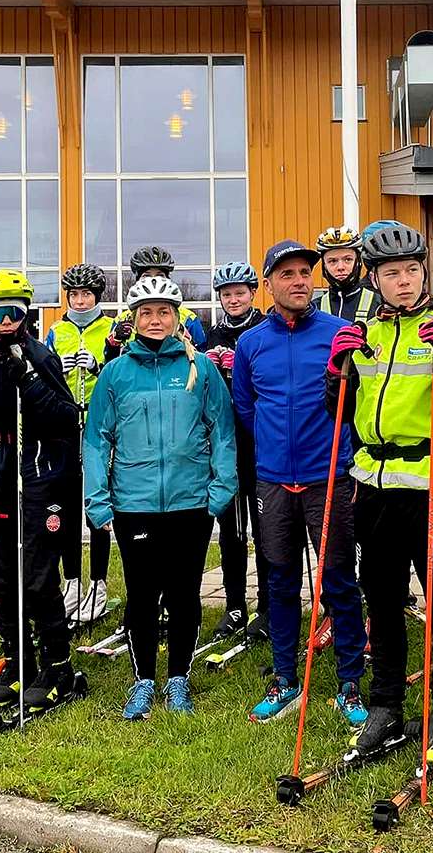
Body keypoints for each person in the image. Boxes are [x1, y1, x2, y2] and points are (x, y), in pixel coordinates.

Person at [325, 223, 433, 763]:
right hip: (374, 487)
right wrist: (335, 374)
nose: (405, 280)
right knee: (383, 598)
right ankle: (386, 705)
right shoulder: (361, 333)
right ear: (375, 278)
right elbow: (339, 412)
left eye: (412, 270)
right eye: (392, 272)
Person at [84, 275, 238, 720]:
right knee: (142, 595)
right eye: (146, 313)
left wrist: (220, 490)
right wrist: (97, 500)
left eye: (164, 312)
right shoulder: (115, 373)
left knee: (185, 593)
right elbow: (96, 440)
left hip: (191, 503)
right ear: (134, 319)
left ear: (176, 317)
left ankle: (178, 679)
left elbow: (223, 430)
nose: (155, 320)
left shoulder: (199, 368)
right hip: (134, 504)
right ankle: (144, 681)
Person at [232, 241, 368, 725]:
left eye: (304, 273)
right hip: (273, 481)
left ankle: (350, 681)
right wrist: (273, 447)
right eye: (286, 274)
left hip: (328, 476)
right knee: (280, 580)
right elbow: (245, 406)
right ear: (268, 284)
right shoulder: (251, 343)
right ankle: (285, 679)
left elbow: (356, 402)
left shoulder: (338, 334)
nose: (298, 281)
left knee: (339, 580)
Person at [0, 270, 83, 714]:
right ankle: (17, 660)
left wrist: (26, 379)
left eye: (16, 312)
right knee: (2, 575)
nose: (8, 321)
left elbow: (67, 417)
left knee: (37, 574)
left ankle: (58, 666)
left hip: (39, 472)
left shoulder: (39, 355)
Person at [45, 263, 116, 626]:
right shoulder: (56, 331)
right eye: (74, 294)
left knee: (96, 506)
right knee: (67, 507)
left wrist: (99, 365)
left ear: (97, 296)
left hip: (99, 426)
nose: (80, 300)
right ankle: (71, 581)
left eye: (86, 294)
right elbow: (41, 375)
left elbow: (121, 373)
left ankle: (98, 584)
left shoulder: (112, 328)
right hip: (65, 426)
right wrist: (58, 368)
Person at [203, 260, 269, 644]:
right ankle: (234, 605)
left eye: (239, 293)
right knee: (231, 531)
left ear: (252, 293)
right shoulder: (212, 335)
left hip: (258, 443)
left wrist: (241, 368)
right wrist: (209, 369)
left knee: (264, 529)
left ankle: (268, 605)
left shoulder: (265, 328)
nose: (233, 300)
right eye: (226, 294)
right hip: (223, 446)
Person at [109, 246, 208, 347]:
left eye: (160, 275)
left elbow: (201, 351)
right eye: (146, 276)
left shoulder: (188, 319)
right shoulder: (122, 319)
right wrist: (114, 342)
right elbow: (109, 356)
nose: (153, 280)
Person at [314, 226, 379, 322]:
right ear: (324, 266)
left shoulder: (379, 305)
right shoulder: (314, 309)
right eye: (332, 261)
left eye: (348, 259)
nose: (340, 267)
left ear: (358, 262)